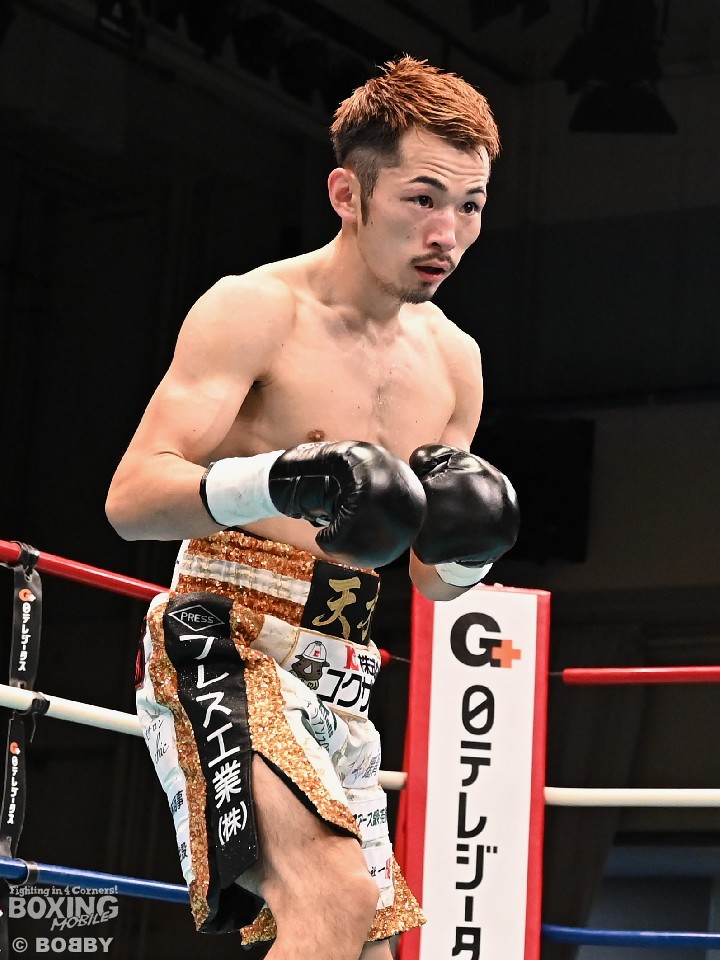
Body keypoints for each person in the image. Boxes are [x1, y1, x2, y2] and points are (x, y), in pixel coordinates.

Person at [106, 56, 519, 960]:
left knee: (367, 938)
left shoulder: (456, 362)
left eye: (471, 205)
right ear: (347, 193)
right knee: (332, 894)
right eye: (422, 198)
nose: (447, 232)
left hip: (344, 666)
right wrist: (277, 480)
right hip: (221, 634)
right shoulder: (257, 310)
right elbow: (131, 499)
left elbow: (432, 584)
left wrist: (472, 548)